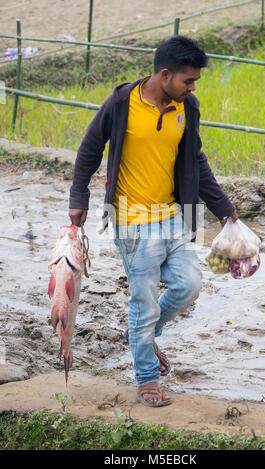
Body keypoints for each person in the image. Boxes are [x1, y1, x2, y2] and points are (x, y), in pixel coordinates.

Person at [69, 35, 238, 407]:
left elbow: (196, 159)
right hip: (131, 221)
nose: (192, 87)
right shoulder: (121, 103)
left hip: (175, 217)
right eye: (187, 80)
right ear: (165, 74)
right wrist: (78, 198)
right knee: (143, 302)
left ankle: (144, 335)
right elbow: (89, 149)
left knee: (189, 285)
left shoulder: (186, 107)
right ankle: (146, 378)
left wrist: (224, 207)